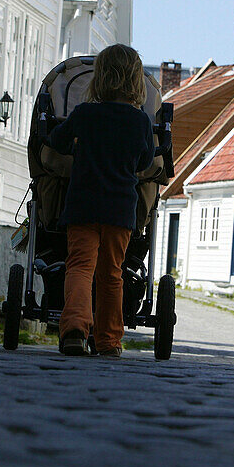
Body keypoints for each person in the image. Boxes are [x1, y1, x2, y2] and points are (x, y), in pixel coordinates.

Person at [46, 44, 156, 359]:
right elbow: (145, 161)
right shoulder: (140, 122)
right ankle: (108, 341)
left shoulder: (85, 114)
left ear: (101, 78)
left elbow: (57, 141)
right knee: (112, 273)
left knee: (80, 266)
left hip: (82, 205)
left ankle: (75, 331)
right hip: (120, 210)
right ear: (136, 82)